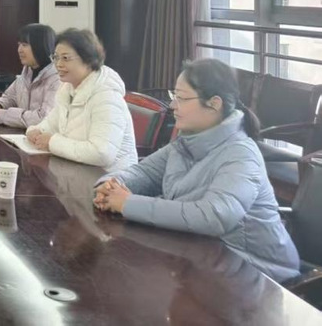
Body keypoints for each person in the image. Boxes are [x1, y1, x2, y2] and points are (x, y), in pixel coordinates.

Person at [93, 59, 299, 283]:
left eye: (181, 98)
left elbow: (213, 216)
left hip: (259, 275)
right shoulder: (186, 142)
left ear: (214, 104)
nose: (172, 105)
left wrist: (127, 203)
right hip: (204, 261)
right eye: (174, 96)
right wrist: (110, 185)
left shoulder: (241, 154)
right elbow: (145, 173)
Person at [26, 28, 137, 172]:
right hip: (77, 171)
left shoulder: (107, 96)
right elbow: (51, 124)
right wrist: (35, 131)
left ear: (88, 59)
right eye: (56, 57)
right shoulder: (67, 89)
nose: (58, 64)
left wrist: (51, 142)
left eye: (65, 58)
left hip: (110, 179)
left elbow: (102, 153)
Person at [0, 23, 59, 128]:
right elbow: (10, 97)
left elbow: (43, 118)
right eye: (19, 44)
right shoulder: (26, 74)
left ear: (40, 46)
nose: (19, 50)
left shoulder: (57, 79)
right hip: (23, 134)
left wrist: (1, 115)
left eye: (24, 45)